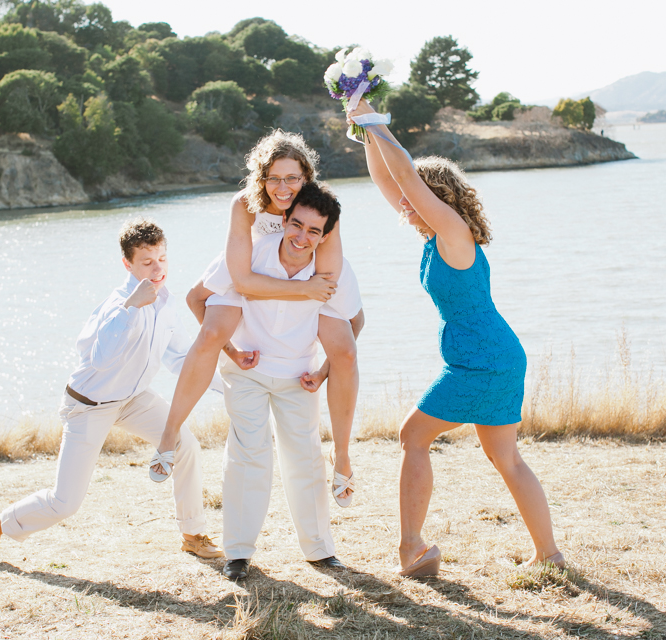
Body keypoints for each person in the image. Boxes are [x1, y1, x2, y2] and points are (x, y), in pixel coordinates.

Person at [347, 99, 564, 577]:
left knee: (412, 436)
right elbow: (389, 179)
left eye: (415, 195)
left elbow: (403, 177)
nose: (403, 203)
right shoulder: (435, 237)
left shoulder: (452, 230)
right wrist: (363, 128)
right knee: (505, 457)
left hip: (482, 360)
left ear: (435, 196)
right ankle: (549, 555)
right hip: (494, 356)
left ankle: (413, 548)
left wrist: (378, 121)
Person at [0, 218, 225, 568]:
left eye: (162, 258)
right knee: (65, 503)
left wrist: (228, 387)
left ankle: (192, 535)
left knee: (186, 445)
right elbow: (100, 359)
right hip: (88, 405)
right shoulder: (115, 305)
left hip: (133, 399)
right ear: (128, 264)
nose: (158, 268)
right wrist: (130, 308)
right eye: (147, 262)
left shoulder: (166, 303)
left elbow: (181, 357)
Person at [151, 130, 364, 507]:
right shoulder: (245, 205)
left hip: (305, 273)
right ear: (261, 177)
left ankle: (343, 455)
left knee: (347, 346)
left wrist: (306, 290)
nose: (283, 188)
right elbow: (243, 281)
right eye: (274, 178)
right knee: (212, 331)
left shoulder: (319, 208)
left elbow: (326, 281)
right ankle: (169, 434)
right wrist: (301, 291)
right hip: (247, 266)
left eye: (292, 178)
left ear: (306, 178)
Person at [202, 182, 348, 580]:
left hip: (298, 375)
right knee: (249, 454)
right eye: (296, 225)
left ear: (325, 235)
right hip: (247, 373)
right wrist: (231, 351)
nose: (302, 237)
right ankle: (238, 553)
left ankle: (319, 550)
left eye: (314, 231)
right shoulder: (248, 255)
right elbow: (197, 298)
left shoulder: (331, 269)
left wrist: (322, 372)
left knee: (306, 458)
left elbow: (353, 322)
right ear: (284, 219)